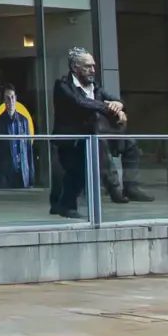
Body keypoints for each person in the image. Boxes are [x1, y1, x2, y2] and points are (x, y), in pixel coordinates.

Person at [49, 48, 136, 216]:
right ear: (75, 67)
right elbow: (80, 103)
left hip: (88, 139)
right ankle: (65, 206)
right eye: (87, 66)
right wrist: (108, 108)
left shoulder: (95, 89)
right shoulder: (62, 86)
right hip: (69, 140)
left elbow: (116, 100)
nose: (92, 70)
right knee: (72, 172)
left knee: (85, 170)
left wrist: (119, 106)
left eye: (93, 66)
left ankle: (118, 189)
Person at [0, 86, 34, 189]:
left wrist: (31, 177)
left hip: (22, 173)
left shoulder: (24, 121)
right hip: (7, 175)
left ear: (16, 98)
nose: (11, 101)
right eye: (8, 98)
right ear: (4, 101)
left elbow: (28, 149)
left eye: (12, 97)